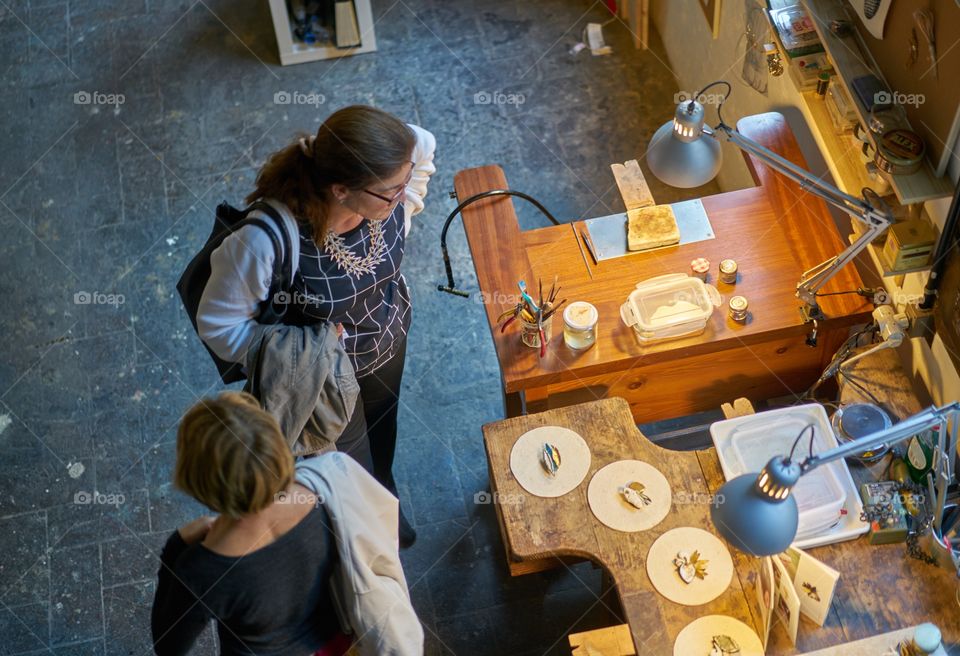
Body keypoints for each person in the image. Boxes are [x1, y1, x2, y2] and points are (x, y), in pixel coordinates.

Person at [196, 105, 436, 546]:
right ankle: (369, 532)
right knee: (351, 462)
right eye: (391, 192)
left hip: (386, 342)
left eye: (405, 185)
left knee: (383, 434)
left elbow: (421, 143)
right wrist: (307, 343)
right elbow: (218, 326)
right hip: (325, 381)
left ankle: (386, 496)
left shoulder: (387, 192)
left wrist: (405, 192)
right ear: (341, 190)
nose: (402, 197)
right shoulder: (265, 240)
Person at [151, 392, 422, 656]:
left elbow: (168, 646)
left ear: (200, 481)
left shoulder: (202, 569)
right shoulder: (324, 487)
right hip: (338, 642)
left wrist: (175, 547)